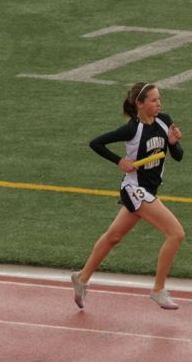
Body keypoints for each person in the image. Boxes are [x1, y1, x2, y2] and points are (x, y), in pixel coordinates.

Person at [71, 82, 185, 310]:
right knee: (176, 234)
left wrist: (173, 144)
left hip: (150, 190)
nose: (159, 103)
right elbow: (96, 143)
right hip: (134, 189)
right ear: (139, 104)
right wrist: (120, 161)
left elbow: (178, 156)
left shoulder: (164, 120)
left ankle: (81, 278)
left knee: (113, 236)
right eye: (153, 100)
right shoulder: (132, 129)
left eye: (159, 99)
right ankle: (158, 290)